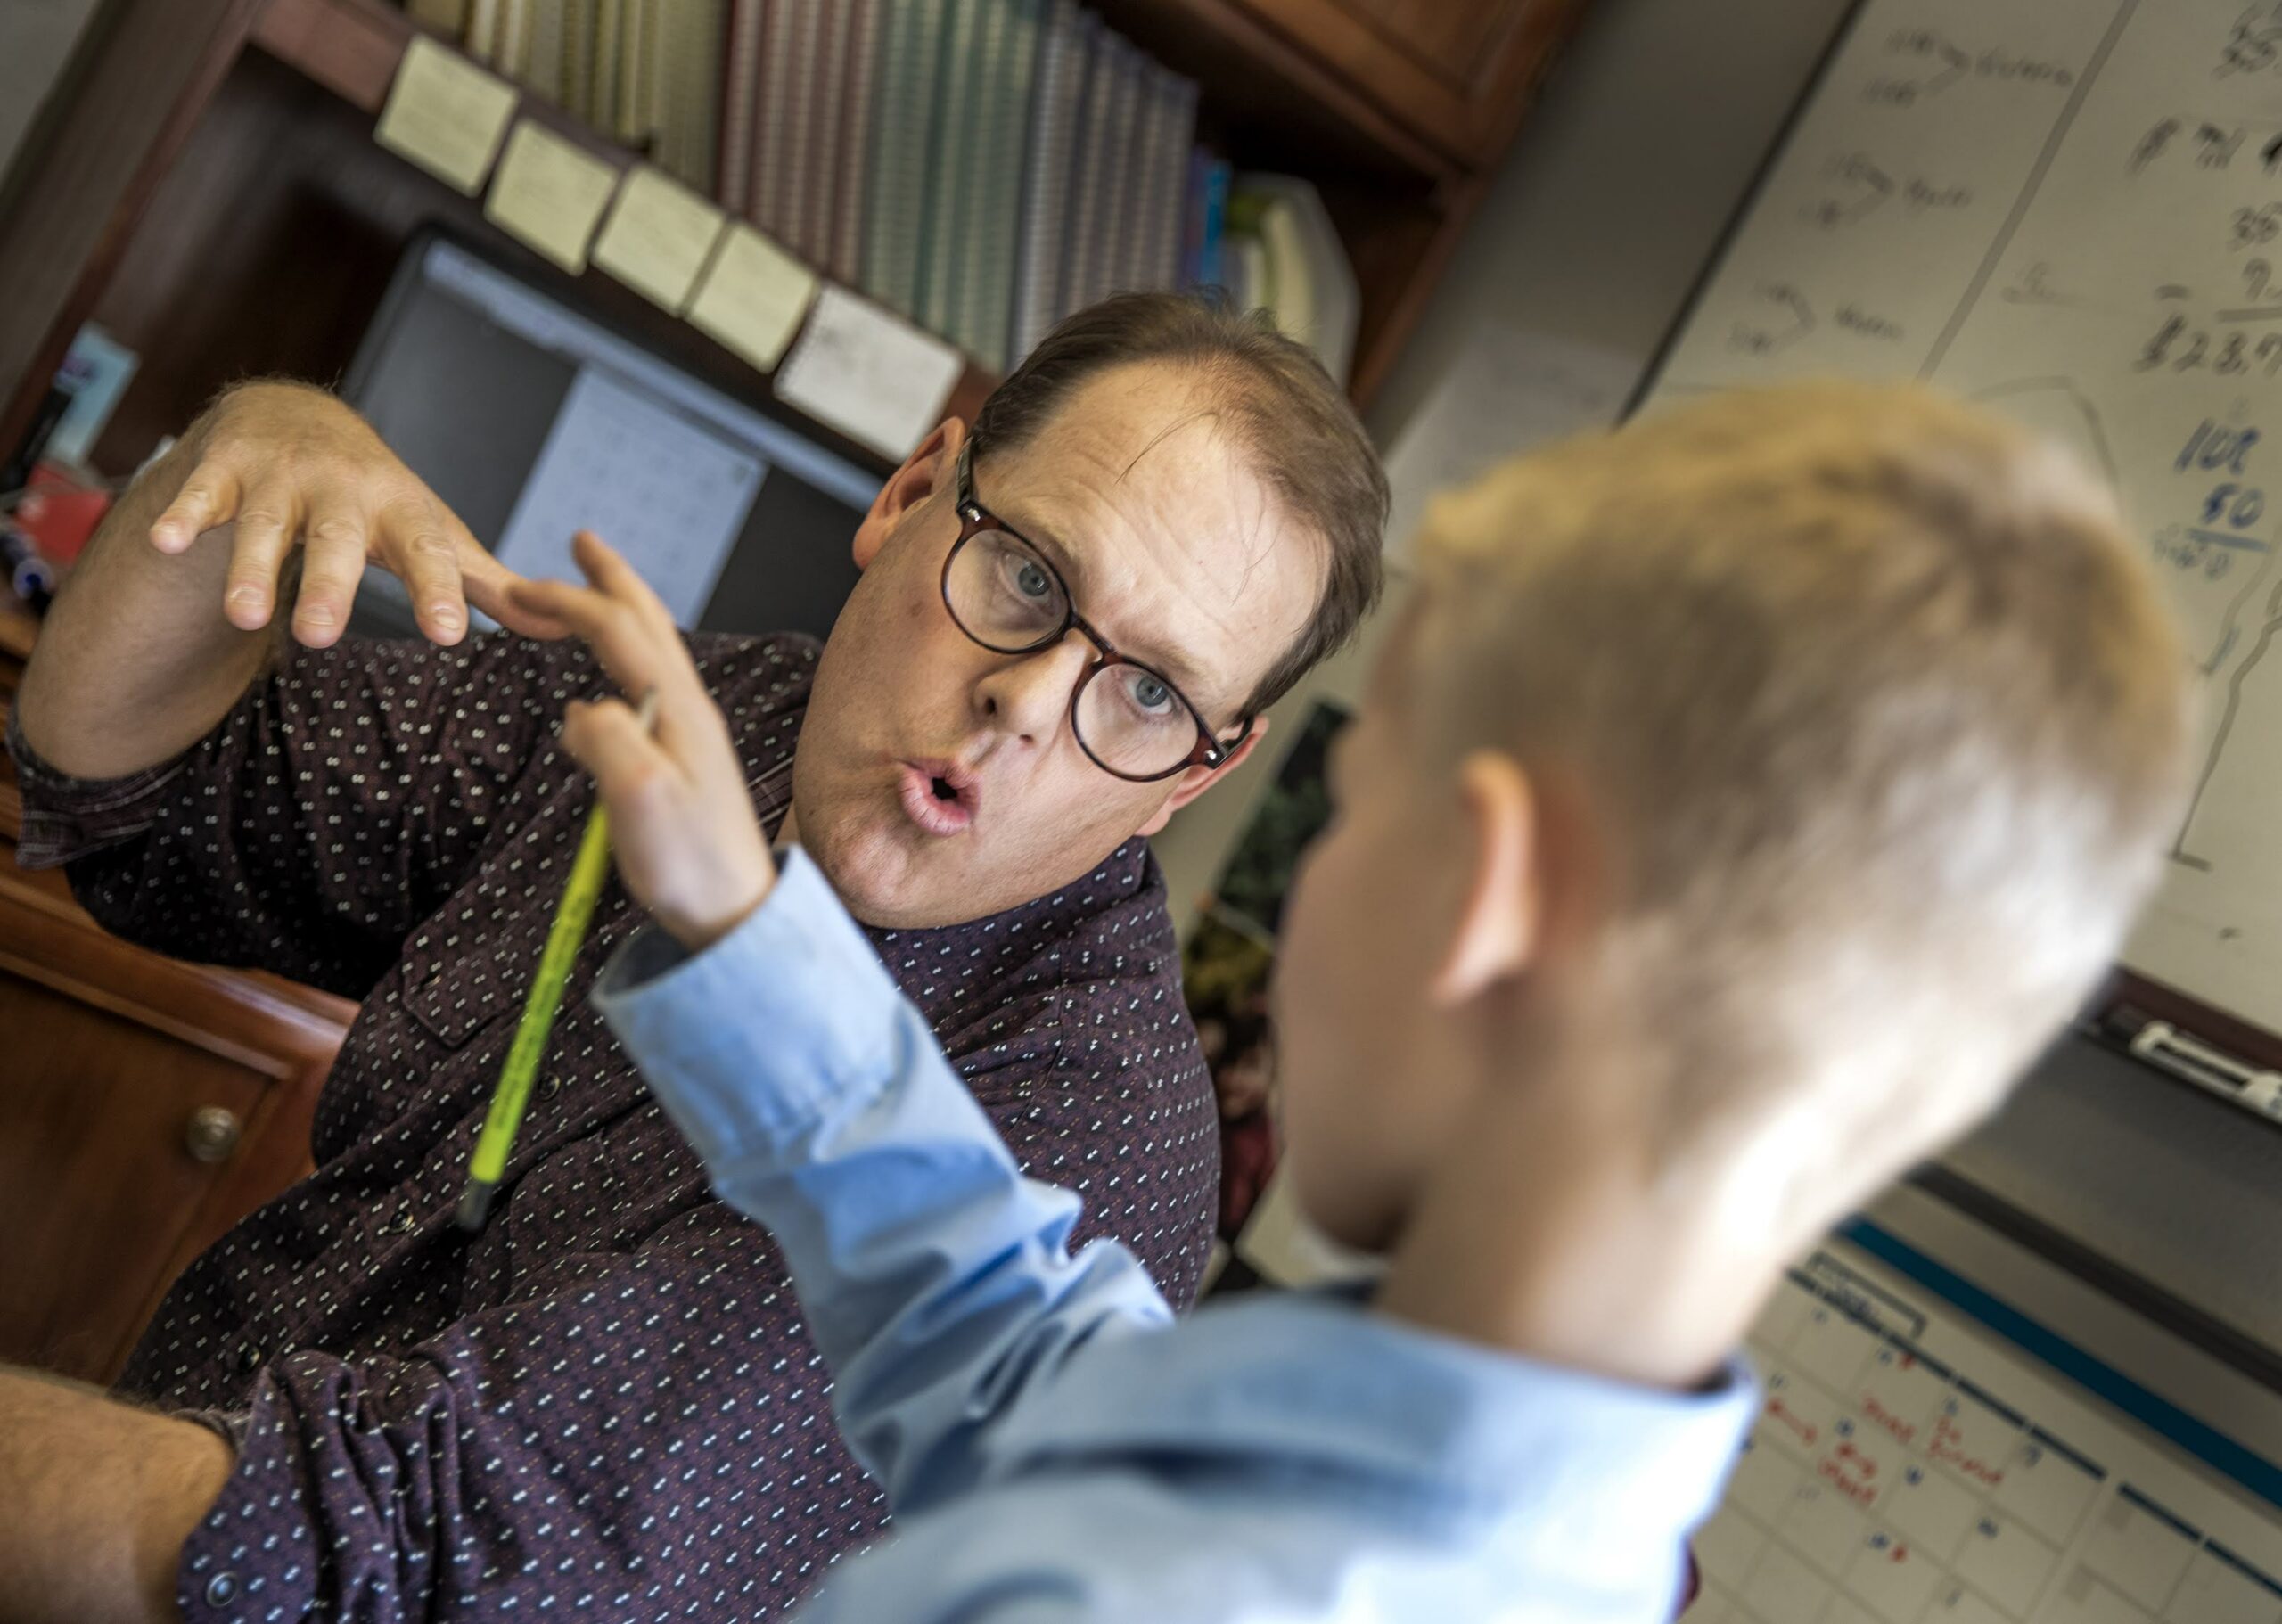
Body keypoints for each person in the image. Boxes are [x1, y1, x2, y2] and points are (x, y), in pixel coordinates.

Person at [532, 381, 2187, 1620]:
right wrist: (754, 937)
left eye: (1357, 804)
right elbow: (1016, 1357)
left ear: (1485, 890)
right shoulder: (1516, 1522)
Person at [0, 293, 1387, 1623]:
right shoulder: (723, 711)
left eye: (1149, 690)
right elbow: (155, 800)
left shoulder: (1079, 1149)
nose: (1025, 699)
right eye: (1028, 574)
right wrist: (239, 463)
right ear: (911, 496)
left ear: (1190, 781)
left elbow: (412, 1575)